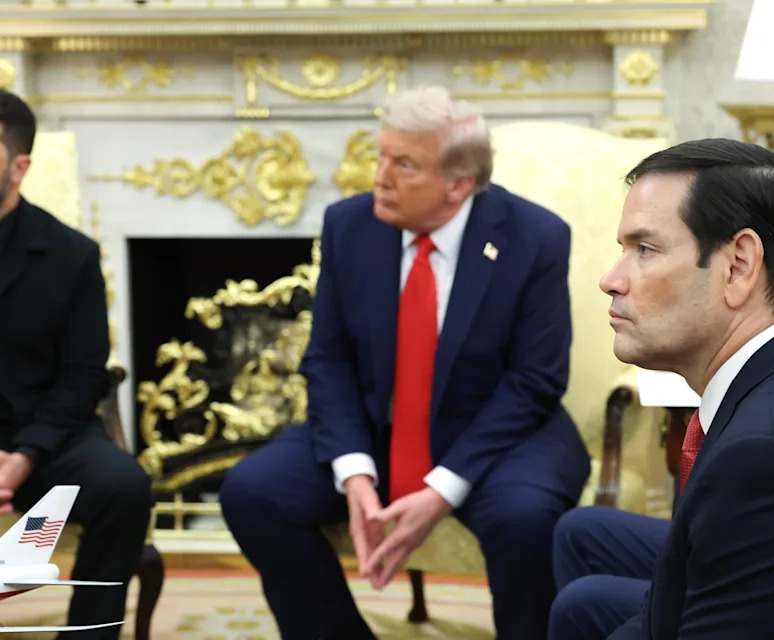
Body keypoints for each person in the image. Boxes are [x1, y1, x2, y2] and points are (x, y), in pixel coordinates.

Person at [218, 85, 590, 639]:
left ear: (459, 184)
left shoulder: (533, 237)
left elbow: (534, 381)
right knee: (253, 492)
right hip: (376, 427)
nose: (380, 176)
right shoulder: (351, 225)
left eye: (405, 164)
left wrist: (442, 490)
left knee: (525, 522)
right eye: (381, 156)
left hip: (497, 433)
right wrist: (356, 477)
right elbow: (328, 360)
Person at [549, 138, 774, 639]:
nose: (611, 279)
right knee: (583, 583)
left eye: (645, 249)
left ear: (738, 266)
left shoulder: (768, 462)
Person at [0, 87, 152, 638]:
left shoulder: (72, 255)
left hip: (43, 445)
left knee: (123, 486)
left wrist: (25, 454)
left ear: (20, 166)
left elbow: (83, 373)